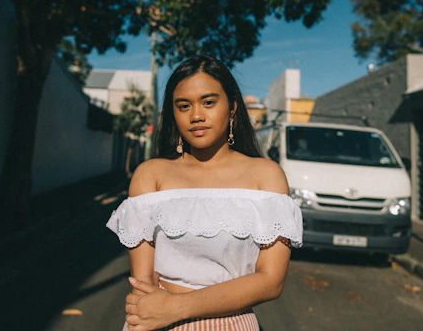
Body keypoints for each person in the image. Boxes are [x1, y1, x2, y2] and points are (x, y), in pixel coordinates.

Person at [106, 55, 303, 331]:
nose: (196, 115)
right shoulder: (150, 175)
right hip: (155, 323)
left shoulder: (266, 176)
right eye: (183, 106)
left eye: (208, 102)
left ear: (232, 107)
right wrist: (155, 312)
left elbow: (271, 280)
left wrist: (175, 307)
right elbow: (143, 281)